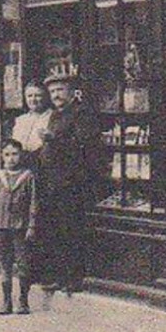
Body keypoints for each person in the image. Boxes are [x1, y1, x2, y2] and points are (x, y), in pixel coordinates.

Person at [36, 72, 102, 297]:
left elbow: (84, 146)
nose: (55, 95)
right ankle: (58, 276)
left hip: (72, 183)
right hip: (53, 182)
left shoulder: (81, 114)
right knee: (55, 230)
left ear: (72, 92)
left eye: (60, 90)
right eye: (52, 91)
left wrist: (53, 140)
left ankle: (73, 279)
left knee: (70, 230)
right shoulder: (55, 115)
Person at [0, 139, 38, 315]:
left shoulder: (27, 176)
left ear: (21, 155)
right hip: (2, 226)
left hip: (21, 227)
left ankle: (23, 301)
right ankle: (6, 301)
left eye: (14, 154)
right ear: (2, 156)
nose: (11, 159)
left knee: (23, 263)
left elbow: (33, 202)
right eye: (7, 155)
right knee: (5, 263)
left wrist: (31, 225)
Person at [11, 82, 52, 165]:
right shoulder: (20, 120)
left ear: (46, 97)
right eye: (29, 96)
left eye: (37, 95)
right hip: (21, 165)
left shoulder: (53, 117)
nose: (33, 100)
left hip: (42, 164)